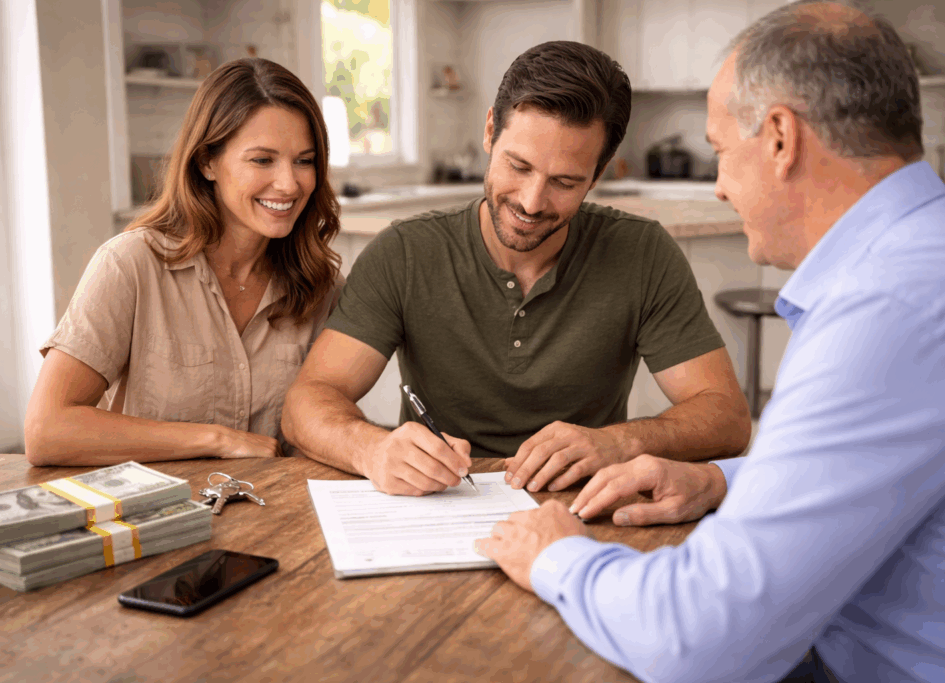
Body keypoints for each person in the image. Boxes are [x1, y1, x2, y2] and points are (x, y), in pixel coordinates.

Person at [475, 2, 945, 682]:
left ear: (781, 139)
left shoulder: (889, 306)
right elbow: (892, 472)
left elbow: (701, 641)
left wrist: (559, 555)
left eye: (720, 151)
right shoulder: (940, 252)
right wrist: (720, 480)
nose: (720, 187)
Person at [282, 41, 750, 497]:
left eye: (565, 182)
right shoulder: (404, 253)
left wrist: (618, 442)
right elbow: (306, 403)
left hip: (583, 506)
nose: (531, 201)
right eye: (518, 166)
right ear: (490, 131)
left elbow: (727, 417)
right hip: (439, 502)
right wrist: (373, 449)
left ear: (600, 171)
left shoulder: (643, 254)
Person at [24, 58, 343, 466]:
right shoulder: (131, 265)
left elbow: (327, 423)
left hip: (276, 516)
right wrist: (217, 440)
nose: (289, 183)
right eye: (262, 160)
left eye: (304, 160)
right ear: (207, 162)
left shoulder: (321, 286)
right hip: (155, 519)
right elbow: (46, 431)